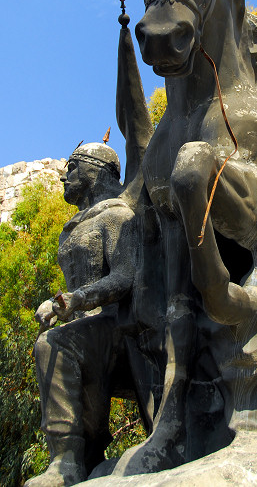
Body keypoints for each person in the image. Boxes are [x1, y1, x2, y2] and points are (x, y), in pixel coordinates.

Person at [26, 142, 139, 487]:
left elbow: (125, 276)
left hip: (121, 326)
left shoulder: (117, 214)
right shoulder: (75, 226)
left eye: (74, 167)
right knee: (62, 344)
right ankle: (86, 460)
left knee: (51, 345)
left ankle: (65, 463)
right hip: (89, 329)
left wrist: (75, 299)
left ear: (97, 171)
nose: (64, 175)